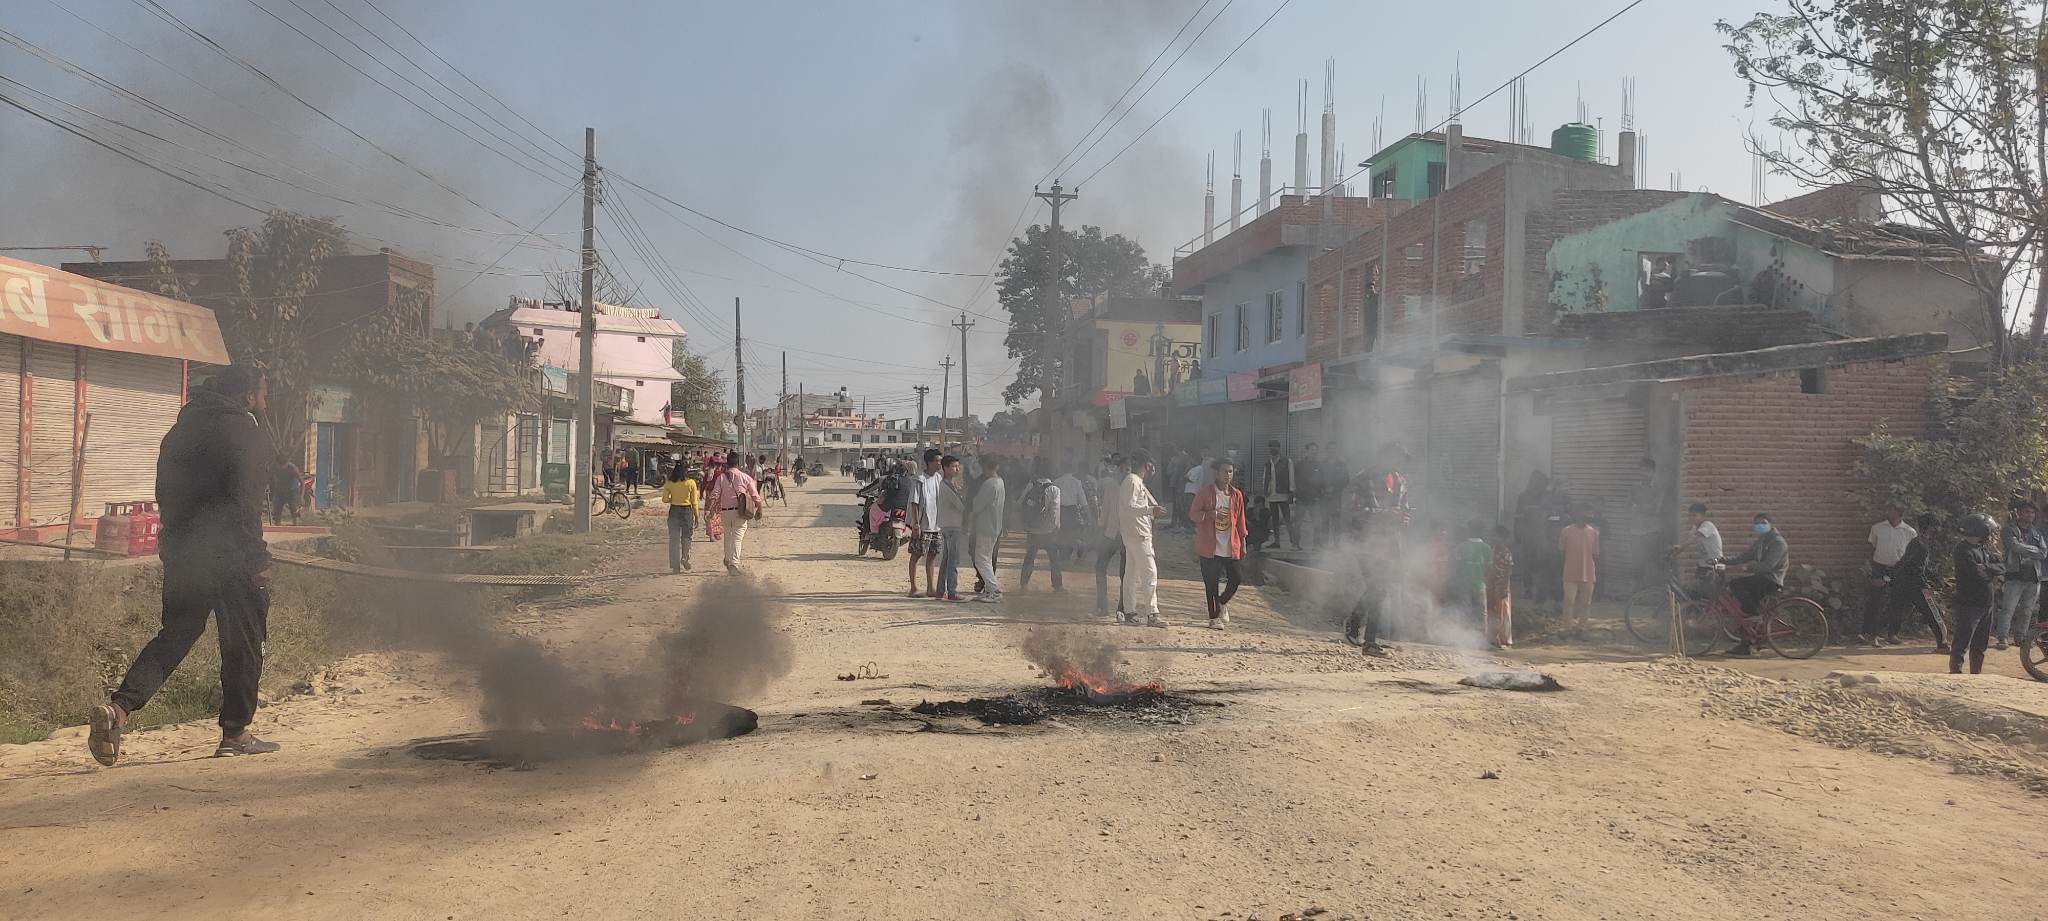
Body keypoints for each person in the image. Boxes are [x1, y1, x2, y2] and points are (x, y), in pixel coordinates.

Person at [90, 366, 278, 765]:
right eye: (262, 394)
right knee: (243, 643)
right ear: (246, 397)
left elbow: (165, 495)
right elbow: (247, 505)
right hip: (234, 557)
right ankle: (236, 734)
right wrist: (258, 557)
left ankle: (119, 709)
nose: (264, 402)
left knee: (175, 634)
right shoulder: (246, 433)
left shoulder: (179, 433)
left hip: (183, 553)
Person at [1722, 513, 1790, 656]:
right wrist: (1722, 560)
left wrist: (1748, 568)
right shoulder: (1760, 541)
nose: (1759, 526)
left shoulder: (1778, 542)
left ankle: (1755, 615)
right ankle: (1745, 645)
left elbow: (1769, 565)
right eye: (1757, 523)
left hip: (1771, 580)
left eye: (1763, 523)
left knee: (1736, 585)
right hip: (1761, 579)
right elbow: (1743, 557)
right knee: (1743, 610)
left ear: (1771, 524)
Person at [1191, 458, 1248, 630]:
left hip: (1231, 545)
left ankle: (1222, 603)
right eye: (1224, 471)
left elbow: (1240, 521)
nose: (1227, 475)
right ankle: (1213, 617)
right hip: (1209, 546)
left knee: (1236, 578)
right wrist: (1208, 515)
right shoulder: (1205, 493)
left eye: (1230, 471)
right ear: (1216, 473)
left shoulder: (1236, 494)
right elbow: (1193, 514)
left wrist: (1243, 541)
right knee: (1211, 583)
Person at [1118, 451, 1169, 627]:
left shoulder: (1135, 482)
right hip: (1138, 535)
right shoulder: (1133, 481)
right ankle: (1152, 613)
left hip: (1134, 534)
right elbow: (1129, 508)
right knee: (1150, 573)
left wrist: (1150, 510)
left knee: (1131, 575)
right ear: (1148, 466)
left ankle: (1130, 612)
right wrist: (1150, 510)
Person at [1886, 512, 1947, 652]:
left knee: (1899, 607)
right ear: (1929, 528)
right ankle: (1942, 644)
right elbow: (1909, 565)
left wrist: (1935, 578)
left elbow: (1918, 565)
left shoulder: (1922, 542)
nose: (1936, 530)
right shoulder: (1917, 544)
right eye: (1934, 527)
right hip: (1915, 584)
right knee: (1933, 612)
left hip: (1909, 583)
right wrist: (1925, 583)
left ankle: (1892, 634)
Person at [1951, 512, 2004, 674]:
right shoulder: (1962, 550)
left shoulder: (1983, 548)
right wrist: (1991, 571)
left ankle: (1976, 674)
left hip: (1986, 602)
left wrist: (1987, 568)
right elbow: (1976, 574)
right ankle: (1955, 673)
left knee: (1980, 644)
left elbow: (2002, 567)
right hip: (1969, 603)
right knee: (1963, 640)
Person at [1862, 505, 1917, 646]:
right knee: (1875, 600)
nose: (1888, 513)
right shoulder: (1877, 528)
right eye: (1887, 510)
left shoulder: (1910, 532)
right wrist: (1874, 567)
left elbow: (1911, 553)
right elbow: (1872, 546)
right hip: (1880, 567)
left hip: (1899, 570)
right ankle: (1868, 632)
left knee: (1897, 602)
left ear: (1899, 513)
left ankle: (1892, 633)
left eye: (1891, 510)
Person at [1996, 502, 2047, 650]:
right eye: (2026, 512)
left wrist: (2024, 548)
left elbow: (2043, 552)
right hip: (2014, 575)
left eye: (2032, 512)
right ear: (2019, 513)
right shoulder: (2009, 529)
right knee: (2008, 609)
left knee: (2027, 611)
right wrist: (2033, 550)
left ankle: (2021, 638)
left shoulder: (2036, 532)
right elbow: (2013, 546)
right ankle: (2002, 638)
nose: (2030, 515)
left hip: (2033, 576)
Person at [704, 452, 761, 574]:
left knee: (728, 537)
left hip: (725, 513)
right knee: (737, 537)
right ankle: (733, 563)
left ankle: (727, 559)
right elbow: (755, 495)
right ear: (738, 463)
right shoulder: (745, 477)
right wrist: (759, 508)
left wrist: (710, 510)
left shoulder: (721, 477)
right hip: (740, 512)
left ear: (727, 463)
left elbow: (714, 495)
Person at [1017, 458, 1063, 593]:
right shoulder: (1054, 489)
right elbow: (1055, 511)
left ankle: (1024, 585)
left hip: (1033, 530)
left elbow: (1020, 503)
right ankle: (1057, 586)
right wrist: (1056, 527)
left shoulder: (1031, 486)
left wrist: (1026, 521)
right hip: (1049, 531)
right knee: (1054, 560)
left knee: (1029, 558)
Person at [967, 457, 1008, 601]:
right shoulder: (1000, 482)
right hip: (995, 525)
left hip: (985, 525)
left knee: (981, 559)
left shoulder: (989, 484)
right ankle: (990, 590)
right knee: (987, 559)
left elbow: (977, 505)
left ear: (986, 467)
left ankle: (994, 589)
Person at [1094, 454, 1130, 616]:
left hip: (1128, 536)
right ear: (1118, 469)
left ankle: (1122, 608)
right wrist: (1100, 529)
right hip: (1110, 534)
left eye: (1128, 469)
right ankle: (1102, 605)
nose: (1124, 472)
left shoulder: (1136, 487)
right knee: (1100, 567)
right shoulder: (1111, 487)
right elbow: (1105, 510)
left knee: (1125, 573)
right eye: (1122, 468)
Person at [906, 449, 944, 598]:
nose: (939, 464)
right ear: (930, 462)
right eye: (937, 461)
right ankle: (913, 587)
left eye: (941, 461)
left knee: (932, 556)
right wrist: (916, 523)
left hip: (936, 524)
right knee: (916, 555)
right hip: (923, 524)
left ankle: (930, 587)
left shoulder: (939, 479)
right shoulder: (919, 479)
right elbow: (914, 502)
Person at [1558, 507, 1600, 636]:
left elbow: (1596, 554)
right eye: (1583, 515)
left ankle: (1582, 628)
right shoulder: (1566, 531)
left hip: (1588, 573)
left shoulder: (1593, 532)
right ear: (1576, 516)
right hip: (1570, 572)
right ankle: (1567, 629)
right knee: (1569, 601)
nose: (1585, 518)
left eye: (1587, 516)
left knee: (1586, 603)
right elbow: (1561, 552)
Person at [1452, 521, 1492, 638]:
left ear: (1469, 531)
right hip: (1480, 584)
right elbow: (1488, 569)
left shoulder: (1460, 547)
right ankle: (1481, 638)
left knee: (1464, 610)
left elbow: (1457, 568)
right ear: (1482, 532)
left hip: (1463, 584)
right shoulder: (1487, 548)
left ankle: (1464, 636)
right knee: (1481, 612)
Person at [937, 455, 969, 601]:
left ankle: (940, 590)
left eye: (958, 466)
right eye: (954, 466)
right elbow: (961, 506)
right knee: (952, 560)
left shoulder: (949, 484)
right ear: (945, 468)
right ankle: (952, 591)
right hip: (952, 526)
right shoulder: (947, 486)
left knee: (946, 559)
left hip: (947, 525)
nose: (957, 469)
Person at [658, 461, 699, 573]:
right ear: (686, 471)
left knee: (674, 538)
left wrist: (673, 499)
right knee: (686, 536)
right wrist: (696, 515)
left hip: (674, 510)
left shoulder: (670, 483)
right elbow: (694, 502)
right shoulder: (691, 483)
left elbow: (665, 499)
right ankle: (684, 557)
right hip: (687, 511)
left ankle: (675, 567)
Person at [1260, 440, 1301, 550]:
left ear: (1279, 448)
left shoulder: (1287, 461)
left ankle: (1294, 543)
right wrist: (1265, 491)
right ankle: (1277, 542)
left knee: (1287, 519)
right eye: (1271, 447)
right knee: (1275, 519)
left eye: (1275, 447)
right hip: (1272, 495)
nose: (1273, 449)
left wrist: (1291, 492)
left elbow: (1291, 476)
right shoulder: (1268, 463)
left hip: (1283, 493)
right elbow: (1265, 478)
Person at [1676, 502, 1723, 594]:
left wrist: (1679, 549)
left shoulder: (1708, 525)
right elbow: (1689, 537)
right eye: (1690, 516)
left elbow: (1693, 538)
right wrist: (1678, 547)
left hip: (1712, 567)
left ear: (1702, 516)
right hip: (1703, 566)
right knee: (1695, 594)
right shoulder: (1697, 527)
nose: (1692, 518)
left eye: (1695, 515)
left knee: (1699, 592)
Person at [1053, 461, 1088, 562]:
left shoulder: (1056, 482)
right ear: (1072, 471)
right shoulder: (1077, 482)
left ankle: (1065, 557)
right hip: (1073, 511)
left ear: (1061, 470)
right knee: (1073, 535)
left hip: (1061, 511)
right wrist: (1088, 515)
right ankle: (1078, 549)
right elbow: (1083, 500)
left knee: (1062, 535)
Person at [1487, 524, 1515, 648]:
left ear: (1502, 537)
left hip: (1501, 586)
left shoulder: (1505, 552)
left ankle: (1501, 638)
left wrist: (1504, 587)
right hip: (1492, 584)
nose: (1493, 538)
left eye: (1495, 535)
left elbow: (1508, 571)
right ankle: (1494, 637)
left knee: (1501, 613)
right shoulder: (1492, 550)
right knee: (1493, 611)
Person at [1296, 442, 1326, 549]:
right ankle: (1295, 544)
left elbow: (1323, 481)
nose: (1314, 452)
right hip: (1301, 498)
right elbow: (1295, 480)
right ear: (1307, 451)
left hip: (1314, 499)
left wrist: (1320, 495)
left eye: (1315, 450)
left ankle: (1316, 545)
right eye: (1312, 450)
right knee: (1297, 523)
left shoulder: (1319, 465)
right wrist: (1296, 494)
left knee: (1317, 523)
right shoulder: (1299, 464)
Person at [1181, 452, 1211, 533]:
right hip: (1188, 490)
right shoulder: (1193, 468)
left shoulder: (1199, 468)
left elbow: (1190, 479)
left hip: (1193, 491)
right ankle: (1188, 526)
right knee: (1186, 508)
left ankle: (1193, 526)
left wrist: (1185, 478)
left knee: (1190, 508)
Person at [269, 452, 301, 526]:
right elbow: (268, 477)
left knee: (294, 511)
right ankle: (277, 523)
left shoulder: (292, 468)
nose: (281, 467)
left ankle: (295, 524)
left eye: (283, 465)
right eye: (279, 465)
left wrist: (300, 496)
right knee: (276, 510)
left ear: (287, 463)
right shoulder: (274, 467)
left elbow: (302, 482)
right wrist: (268, 486)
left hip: (292, 490)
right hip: (279, 491)